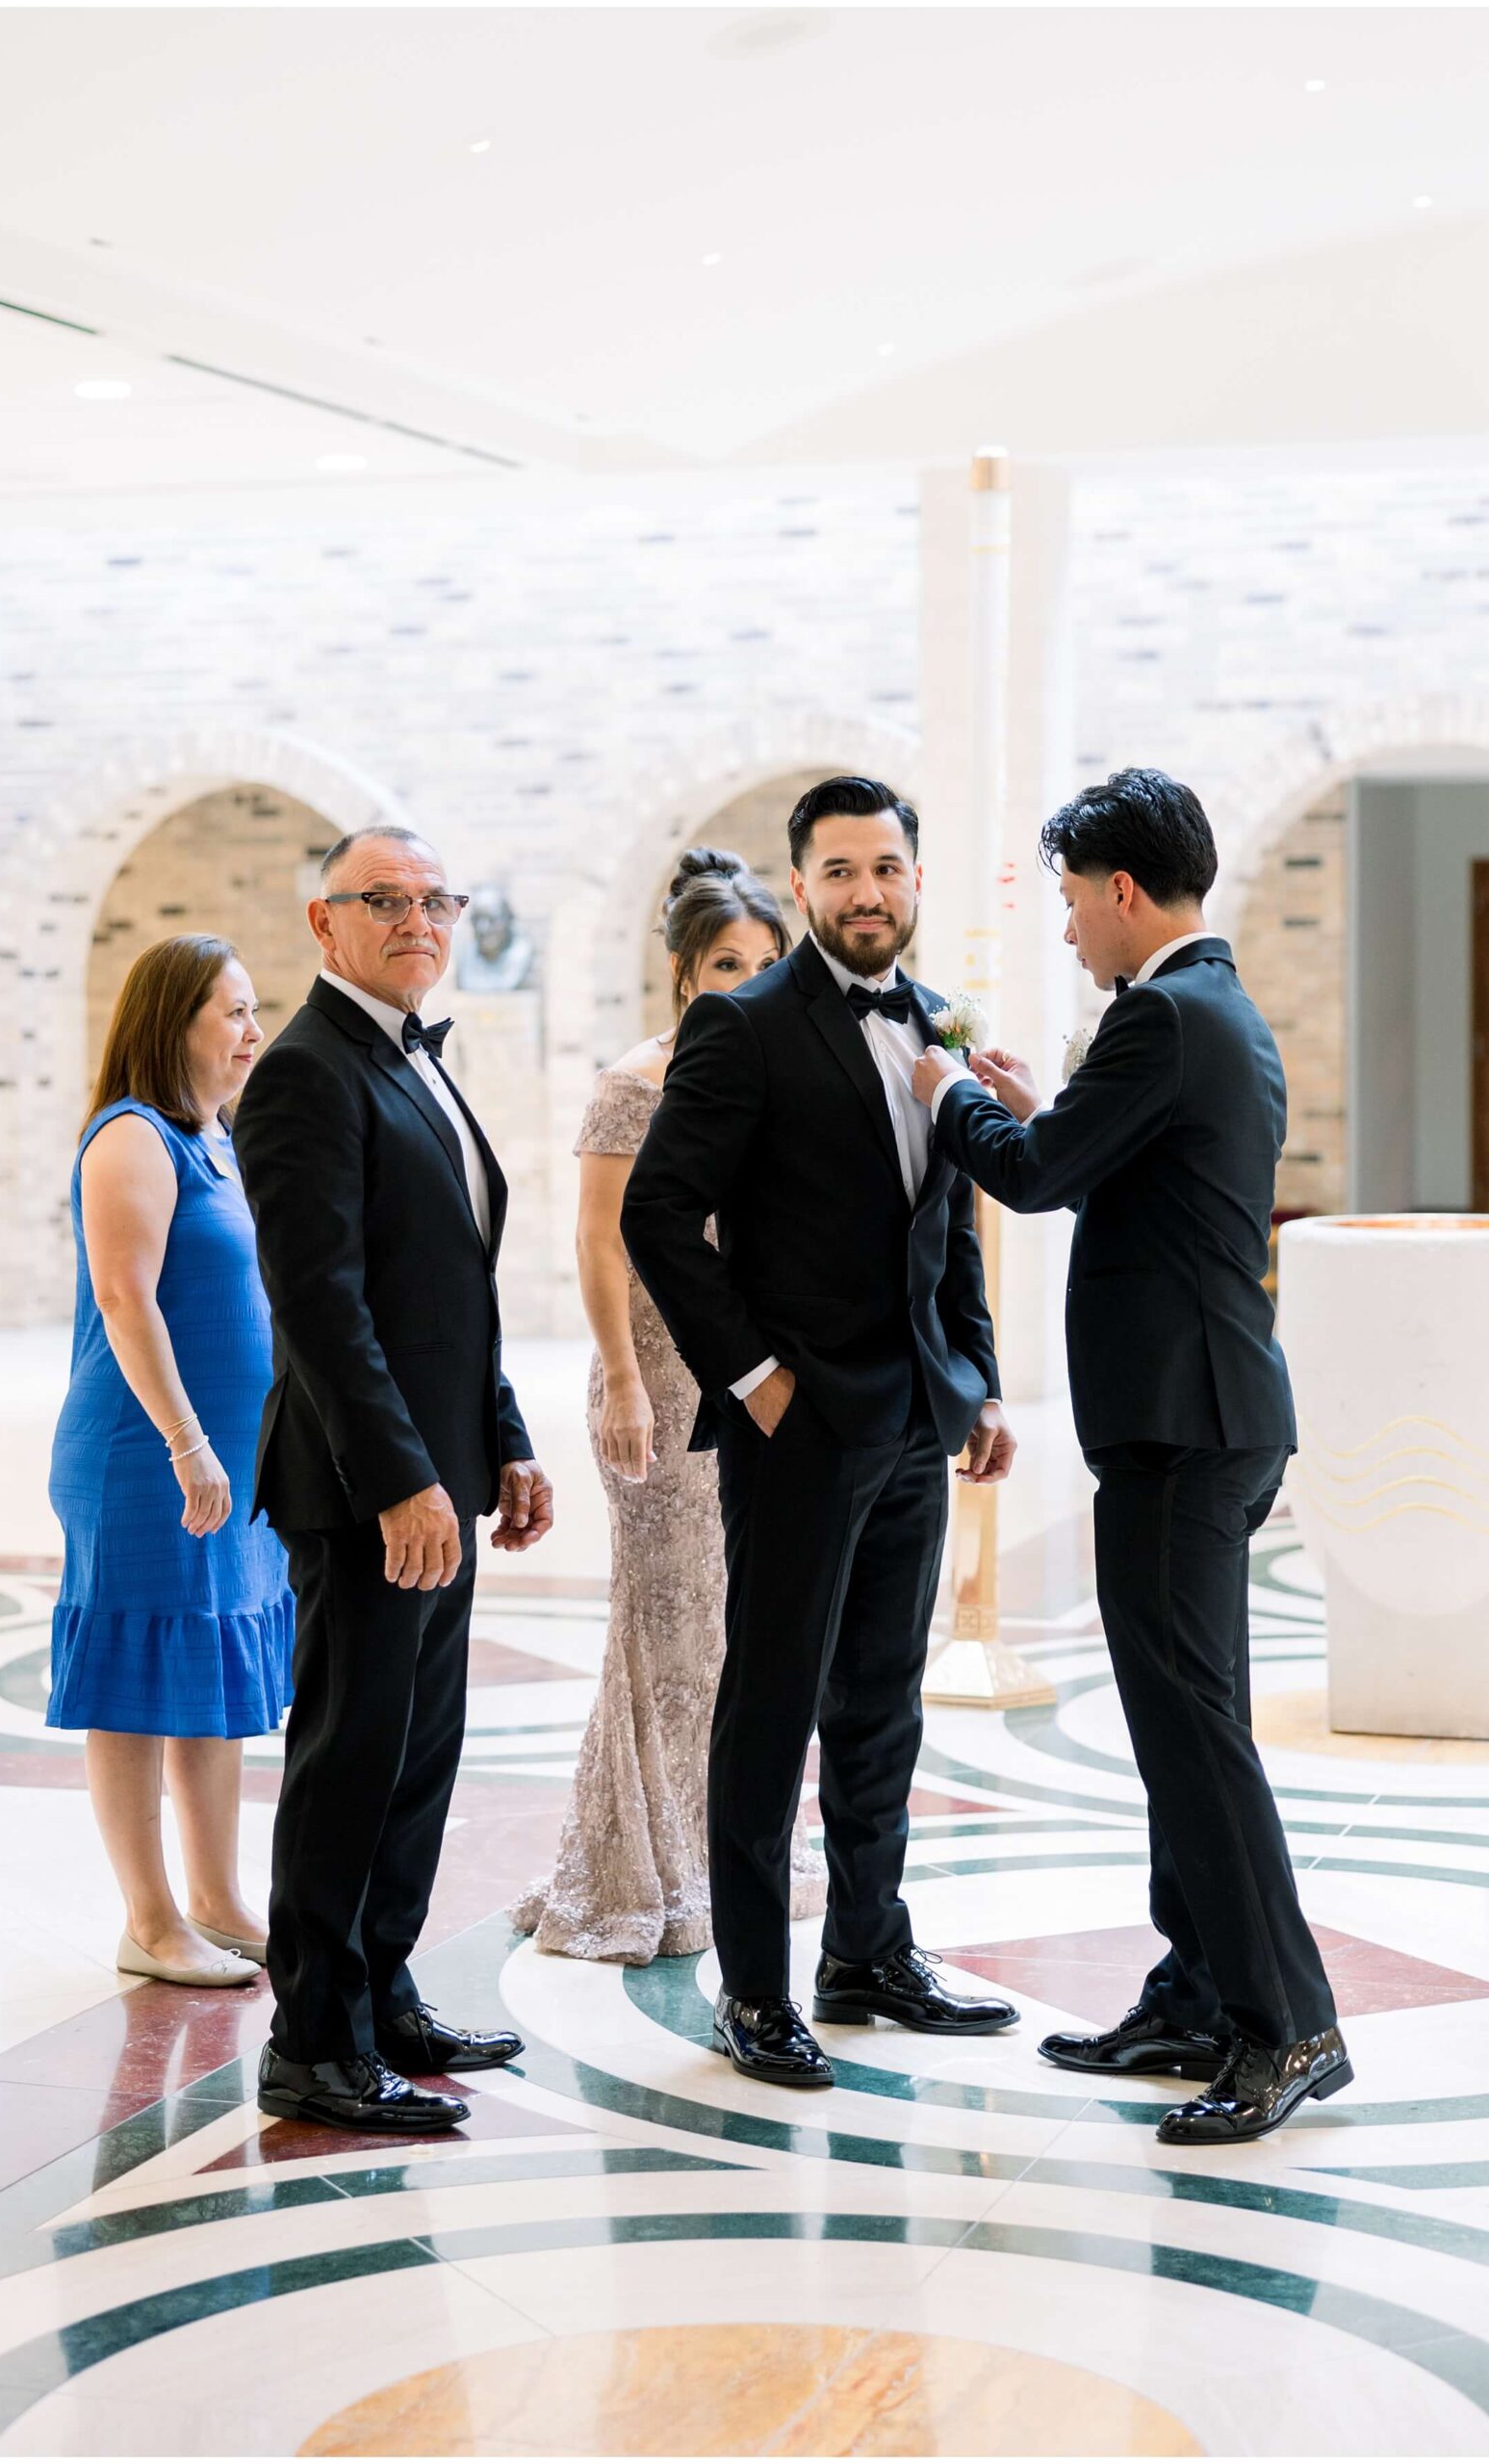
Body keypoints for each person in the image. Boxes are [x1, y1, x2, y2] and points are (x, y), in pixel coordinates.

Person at [914, 766, 1350, 2146]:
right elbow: (1111, 1160)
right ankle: (1194, 1991)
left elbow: (1034, 1178)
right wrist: (1041, 1103)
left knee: (1193, 1736)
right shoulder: (1206, 1009)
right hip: (1204, 1413)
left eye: (1064, 902)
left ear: (1114, 890)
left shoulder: (1159, 1014)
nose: (1061, 932)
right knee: (1179, 1726)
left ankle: (1285, 2025)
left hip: (1181, 1423)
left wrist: (942, 1098)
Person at [623, 778, 1018, 2090]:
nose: (865, 892)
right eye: (839, 871)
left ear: (914, 878)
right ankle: (752, 1989)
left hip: (915, 1417)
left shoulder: (935, 1023)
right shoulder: (741, 1029)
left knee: (880, 1702)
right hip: (795, 1430)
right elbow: (658, 1218)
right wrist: (752, 1380)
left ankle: (865, 1953)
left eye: (885, 868)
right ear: (800, 887)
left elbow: (946, 1220)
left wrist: (980, 1380)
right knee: (772, 1703)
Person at [234, 827, 553, 2136]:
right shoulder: (306, 1073)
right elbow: (320, 1306)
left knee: (421, 1754)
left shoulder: (414, 1059)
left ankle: (384, 1988)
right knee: (349, 1760)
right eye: (386, 900)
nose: (418, 919)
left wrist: (505, 1437)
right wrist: (400, 1483)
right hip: (367, 1491)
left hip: (440, 1476)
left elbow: (449, 1293)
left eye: (435, 899)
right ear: (325, 923)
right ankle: (315, 2039)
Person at [512, 850, 825, 1964]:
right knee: (663, 1618)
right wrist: (624, 1380)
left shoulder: (768, 1074)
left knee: (734, 1621)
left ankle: (716, 1847)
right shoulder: (633, 1083)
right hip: (651, 1368)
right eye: (723, 965)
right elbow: (598, 1241)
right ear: (683, 975)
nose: (744, 982)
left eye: (762, 963)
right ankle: (634, 1863)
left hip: (747, 1373)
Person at [47, 935, 294, 1989]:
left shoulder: (216, 1137)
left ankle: (217, 1898)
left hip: (229, 1459)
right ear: (172, 1021)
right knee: (139, 1672)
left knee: (212, 1667)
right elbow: (125, 1298)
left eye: (253, 1009)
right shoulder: (132, 1138)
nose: (252, 1032)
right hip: (147, 1454)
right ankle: (148, 1920)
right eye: (231, 1012)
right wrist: (187, 1441)